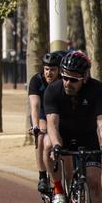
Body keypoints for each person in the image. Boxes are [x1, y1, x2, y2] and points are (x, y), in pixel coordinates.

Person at [44, 50, 102, 203]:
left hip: (87, 137)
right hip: (62, 136)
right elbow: (52, 123)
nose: (68, 83)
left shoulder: (97, 90)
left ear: (85, 77)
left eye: (74, 80)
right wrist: (56, 146)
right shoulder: (53, 90)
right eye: (65, 77)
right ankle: (59, 191)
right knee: (46, 144)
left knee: (94, 182)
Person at [29, 51, 65, 193]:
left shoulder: (64, 81)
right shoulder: (36, 81)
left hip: (60, 113)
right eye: (47, 69)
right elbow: (35, 106)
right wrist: (35, 125)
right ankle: (42, 175)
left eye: (53, 70)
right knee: (41, 137)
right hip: (43, 114)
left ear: (59, 71)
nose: (49, 73)